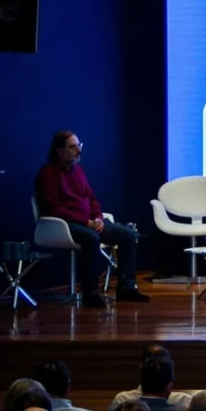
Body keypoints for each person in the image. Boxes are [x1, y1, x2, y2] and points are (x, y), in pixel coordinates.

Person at [35, 130, 149, 308]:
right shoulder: (47, 174)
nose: (78, 150)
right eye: (73, 147)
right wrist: (86, 222)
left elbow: (92, 199)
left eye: (79, 146)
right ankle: (90, 294)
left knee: (127, 234)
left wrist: (98, 218)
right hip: (66, 225)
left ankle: (127, 288)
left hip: (89, 221)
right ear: (59, 150)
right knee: (91, 238)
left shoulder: (78, 170)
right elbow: (55, 209)